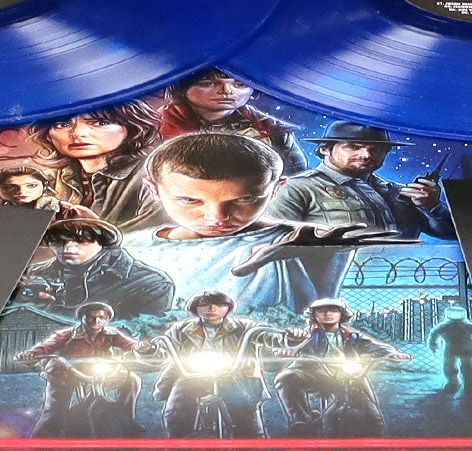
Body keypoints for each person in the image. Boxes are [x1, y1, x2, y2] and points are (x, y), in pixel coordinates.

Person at [126, 132, 332, 314]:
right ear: (153, 190)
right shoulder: (130, 248)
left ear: (276, 188)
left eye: (244, 199)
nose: (217, 217)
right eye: (189, 200)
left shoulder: (299, 240)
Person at [268, 123, 455, 238]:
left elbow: (452, 234)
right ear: (325, 149)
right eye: (354, 147)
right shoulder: (296, 188)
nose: (366, 154)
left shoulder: (399, 193)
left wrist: (431, 206)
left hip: (409, 280)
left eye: (376, 149)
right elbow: (271, 241)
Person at [146, 291, 276, 436]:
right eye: (204, 304)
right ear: (195, 308)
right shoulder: (180, 329)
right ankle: (180, 446)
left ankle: (254, 448)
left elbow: (266, 335)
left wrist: (289, 337)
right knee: (174, 413)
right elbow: (162, 349)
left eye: (219, 304)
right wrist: (147, 349)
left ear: (228, 307)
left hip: (236, 376)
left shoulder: (244, 326)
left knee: (246, 417)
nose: (212, 308)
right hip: (191, 376)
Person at [275, 298, 409, 435]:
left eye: (333, 310)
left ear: (341, 314)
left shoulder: (352, 336)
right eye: (321, 311)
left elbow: (374, 345)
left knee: (370, 409)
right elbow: (293, 342)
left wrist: (392, 353)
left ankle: (374, 433)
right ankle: (301, 422)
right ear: (314, 315)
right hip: (317, 374)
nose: (327, 314)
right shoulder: (309, 335)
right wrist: (289, 347)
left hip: (348, 374)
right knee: (285, 377)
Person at [18, 302, 143, 436]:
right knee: (54, 411)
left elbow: (130, 344)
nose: (96, 321)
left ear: (107, 319)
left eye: (101, 317)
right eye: (91, 317)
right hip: (66, 373)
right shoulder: (68, 334)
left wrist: (141, 347)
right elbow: (47, 345)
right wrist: (32, 353)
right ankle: (41, 442)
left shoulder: (111, 334)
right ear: (82, 318)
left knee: (131, 379)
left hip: (96, 372)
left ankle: (128, 421)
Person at [18, 216, 175, 321]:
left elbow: (142, 332)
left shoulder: (150, 283)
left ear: (103, 242)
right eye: (58, 241)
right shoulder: (31, 273)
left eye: (81, 240)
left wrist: (50, 310)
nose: (68, 247)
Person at [154, 70, 308, 174]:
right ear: (181, 88)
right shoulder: (151, 129)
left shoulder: (271, 130)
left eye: (239, 84)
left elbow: (297, 177)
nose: (226, 91)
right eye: (208, 83)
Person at [35, 104, 162, 228]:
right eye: (62, 125)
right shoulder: (48, 178)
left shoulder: (153, 174)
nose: (77, 133)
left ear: (133, 127)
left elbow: (150, 234)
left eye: (101, 123)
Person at [428, 308, 472, 395]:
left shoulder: (444, 326)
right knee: (469, 368)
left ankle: (453, 384)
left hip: (451, 350)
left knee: (450, 368)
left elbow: (433, 334)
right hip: (467, 350)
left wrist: (434, 347)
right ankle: (471, 386)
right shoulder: (468, 326)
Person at [0, 165, 64, 212]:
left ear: (44, 185)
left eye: (31, 185)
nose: (21, 191)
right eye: (9, 187)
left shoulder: (64, 210)